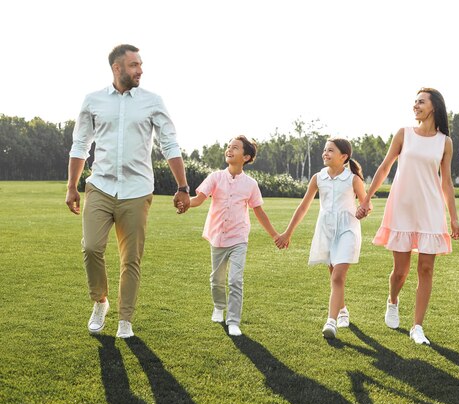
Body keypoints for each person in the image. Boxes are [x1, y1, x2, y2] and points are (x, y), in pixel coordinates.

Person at [65, 44, 190, 339]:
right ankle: (100, 302)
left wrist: (182, 186)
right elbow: (81, 145)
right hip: (100, 186)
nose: (140, 70)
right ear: (117, 68)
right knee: (92, 247)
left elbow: (169, 145)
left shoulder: (153, 101)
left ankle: (125, 320)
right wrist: (72, 186)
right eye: (134, 65)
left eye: (141, 64)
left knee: (130, 258)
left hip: (136, 191)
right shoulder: (93, 100)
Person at [356, 87, 459, 345]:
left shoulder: (444, 142)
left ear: (434, 106)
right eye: (414, 102)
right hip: (402, 207)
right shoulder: (404, 134)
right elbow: (384, 167)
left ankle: (417, 326)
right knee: (400, 272)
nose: (415, 106)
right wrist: (367, 198)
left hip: (430, 209)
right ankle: (393, 300)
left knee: (426, 268)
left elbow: (446, 182)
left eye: (421, 102)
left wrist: (454, 218)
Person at [185, 135, 280, 337]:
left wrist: (274, 235)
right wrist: (185, 203)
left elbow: (259, 211)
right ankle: (219, 306)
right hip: (218, 236)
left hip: (239, 237)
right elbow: (199, 199)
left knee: (235, 280)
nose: (229, 150)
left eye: (235, 148)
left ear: (246, 157)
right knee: (217, 279)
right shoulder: (215, 177)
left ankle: (234, 320)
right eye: (228, 147)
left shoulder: (251, 184)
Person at [276, 138, 368, 339]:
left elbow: (365, 203)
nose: (325, 153)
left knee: (337, 276)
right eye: (324, 150)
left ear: (344, 157)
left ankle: (331, 322)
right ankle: (342, 310)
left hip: (347, 230)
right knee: (334, 275)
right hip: (325, 230)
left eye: (330, 151)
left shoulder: (353, 179)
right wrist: (287, 233)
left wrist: (363, 211)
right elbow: (303, 207)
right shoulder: (318, 178)